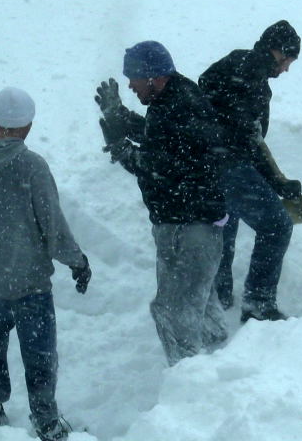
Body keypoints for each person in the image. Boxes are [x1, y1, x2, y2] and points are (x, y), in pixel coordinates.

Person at [0, 87, 91, 441]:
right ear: (27, 123)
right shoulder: (30, 165)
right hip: (29, 284)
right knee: (39, 355)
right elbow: (53, 225)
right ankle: (46, 423)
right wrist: (77, 262)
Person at [95, 41, 228, 366]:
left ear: (152, 77)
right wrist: (122, 118)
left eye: (133, 79)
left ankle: (190, 387)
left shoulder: (180, 105)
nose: (129, 85)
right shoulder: (175, 99)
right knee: (201, 311)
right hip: (185, 223)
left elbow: (161, 166)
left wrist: (119, 147)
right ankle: (220, 369)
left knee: (173, 312)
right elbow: (165, 139)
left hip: (190, 228)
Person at [198, 20, 302, 322]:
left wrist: (278, 182)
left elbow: (249, 137)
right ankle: (257, 303)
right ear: (275, 50)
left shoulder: (240, 66)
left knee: (225, 229)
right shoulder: (249, 72)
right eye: (287, 61)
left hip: (208, 167)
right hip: (228, 166)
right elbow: (248, 140)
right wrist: (276, 182)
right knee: (277, 226)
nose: (286, 69)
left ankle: (219, 296)